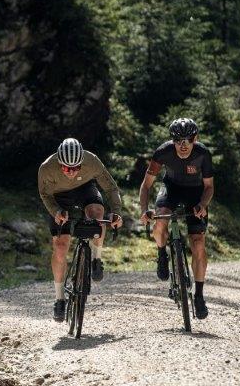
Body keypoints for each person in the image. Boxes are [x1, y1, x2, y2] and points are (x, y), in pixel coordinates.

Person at [38, 138, 124, 322]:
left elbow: (111, 188)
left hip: (85, 189)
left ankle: (96, 258)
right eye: (67, 168)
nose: (71, 172)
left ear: (82, 162)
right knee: (60, 246)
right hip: (58, 197)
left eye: (76, 167)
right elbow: (45, 194)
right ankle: (59, 299)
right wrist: (56, 212)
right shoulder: (47, 168)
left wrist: (116, 213)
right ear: (59, 162)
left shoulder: (91, 161)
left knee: (97, 213)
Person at [138, 118, 214, 319]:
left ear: (195, 139)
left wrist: (203, 205)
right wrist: (145, 209)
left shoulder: (203, 154)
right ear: (172, 140)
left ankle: (198, 295)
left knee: (198, 243)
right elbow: (146, 186)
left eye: (188, 140)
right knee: (160, 220)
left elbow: (209, 187)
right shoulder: (163, 152)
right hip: (170, 189)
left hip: (196, 193)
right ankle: (162, 253)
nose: (183, 145)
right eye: (178, 140)